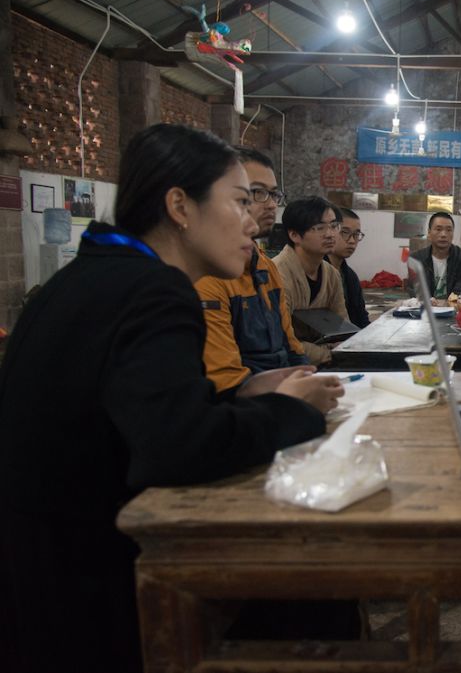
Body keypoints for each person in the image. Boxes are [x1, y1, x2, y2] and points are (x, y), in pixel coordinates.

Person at [0, 123, 344, 673]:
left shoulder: (87, 280)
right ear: (180, 206)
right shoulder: (157, 291)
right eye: (239, 201)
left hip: (33, 577)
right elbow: (179, 447)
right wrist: (293, 410)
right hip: (91, 589)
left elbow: (141, 412)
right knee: (317, 585)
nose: (255, 221)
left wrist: (239, 393)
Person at [196, 146, 309, 394]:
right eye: (256, 193)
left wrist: (307, 378)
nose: (270, 205)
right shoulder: (206, 277)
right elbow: (226, 382)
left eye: (273, 194)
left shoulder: (265, 267)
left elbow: (291, 346)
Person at [273, 196, 348, 365]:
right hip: (287, 364)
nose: (330, 234)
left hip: (323, 361)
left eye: (334, 226)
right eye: (319, 228)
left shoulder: (331, 274)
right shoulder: (277, 273)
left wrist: (344, 348)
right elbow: (281, 339)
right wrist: (328, 355)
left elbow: (342, 329)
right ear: (294, 235)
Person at [409, 211, 461, 300]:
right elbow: (415, 291)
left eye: (449, 230)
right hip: (426, 310)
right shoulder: (416, 259)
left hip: (453, 310)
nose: (443, 234)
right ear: (429, 232)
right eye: (438, 229)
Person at [327, 207, 371, 329]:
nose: (352, 241)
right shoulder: (318, 272)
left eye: (356, 234)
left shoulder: (350, 276)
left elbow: (361, 318)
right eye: (345, 233)